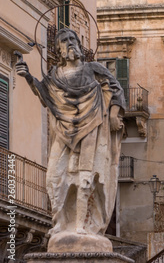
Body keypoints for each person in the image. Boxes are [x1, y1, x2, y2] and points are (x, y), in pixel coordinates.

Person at [15, 28, 125, 249]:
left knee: (86, 177)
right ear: (59, 50)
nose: (70, 43)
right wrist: (28, 77)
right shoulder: (54, 75)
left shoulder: (93, 69)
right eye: (64, 41)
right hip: (64, 132)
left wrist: (113, 114)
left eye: (73, 39)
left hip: (92, 127)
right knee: (54, 177)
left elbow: (116, 89)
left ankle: (81, 226)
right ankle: (59, 223)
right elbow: (46, 96)